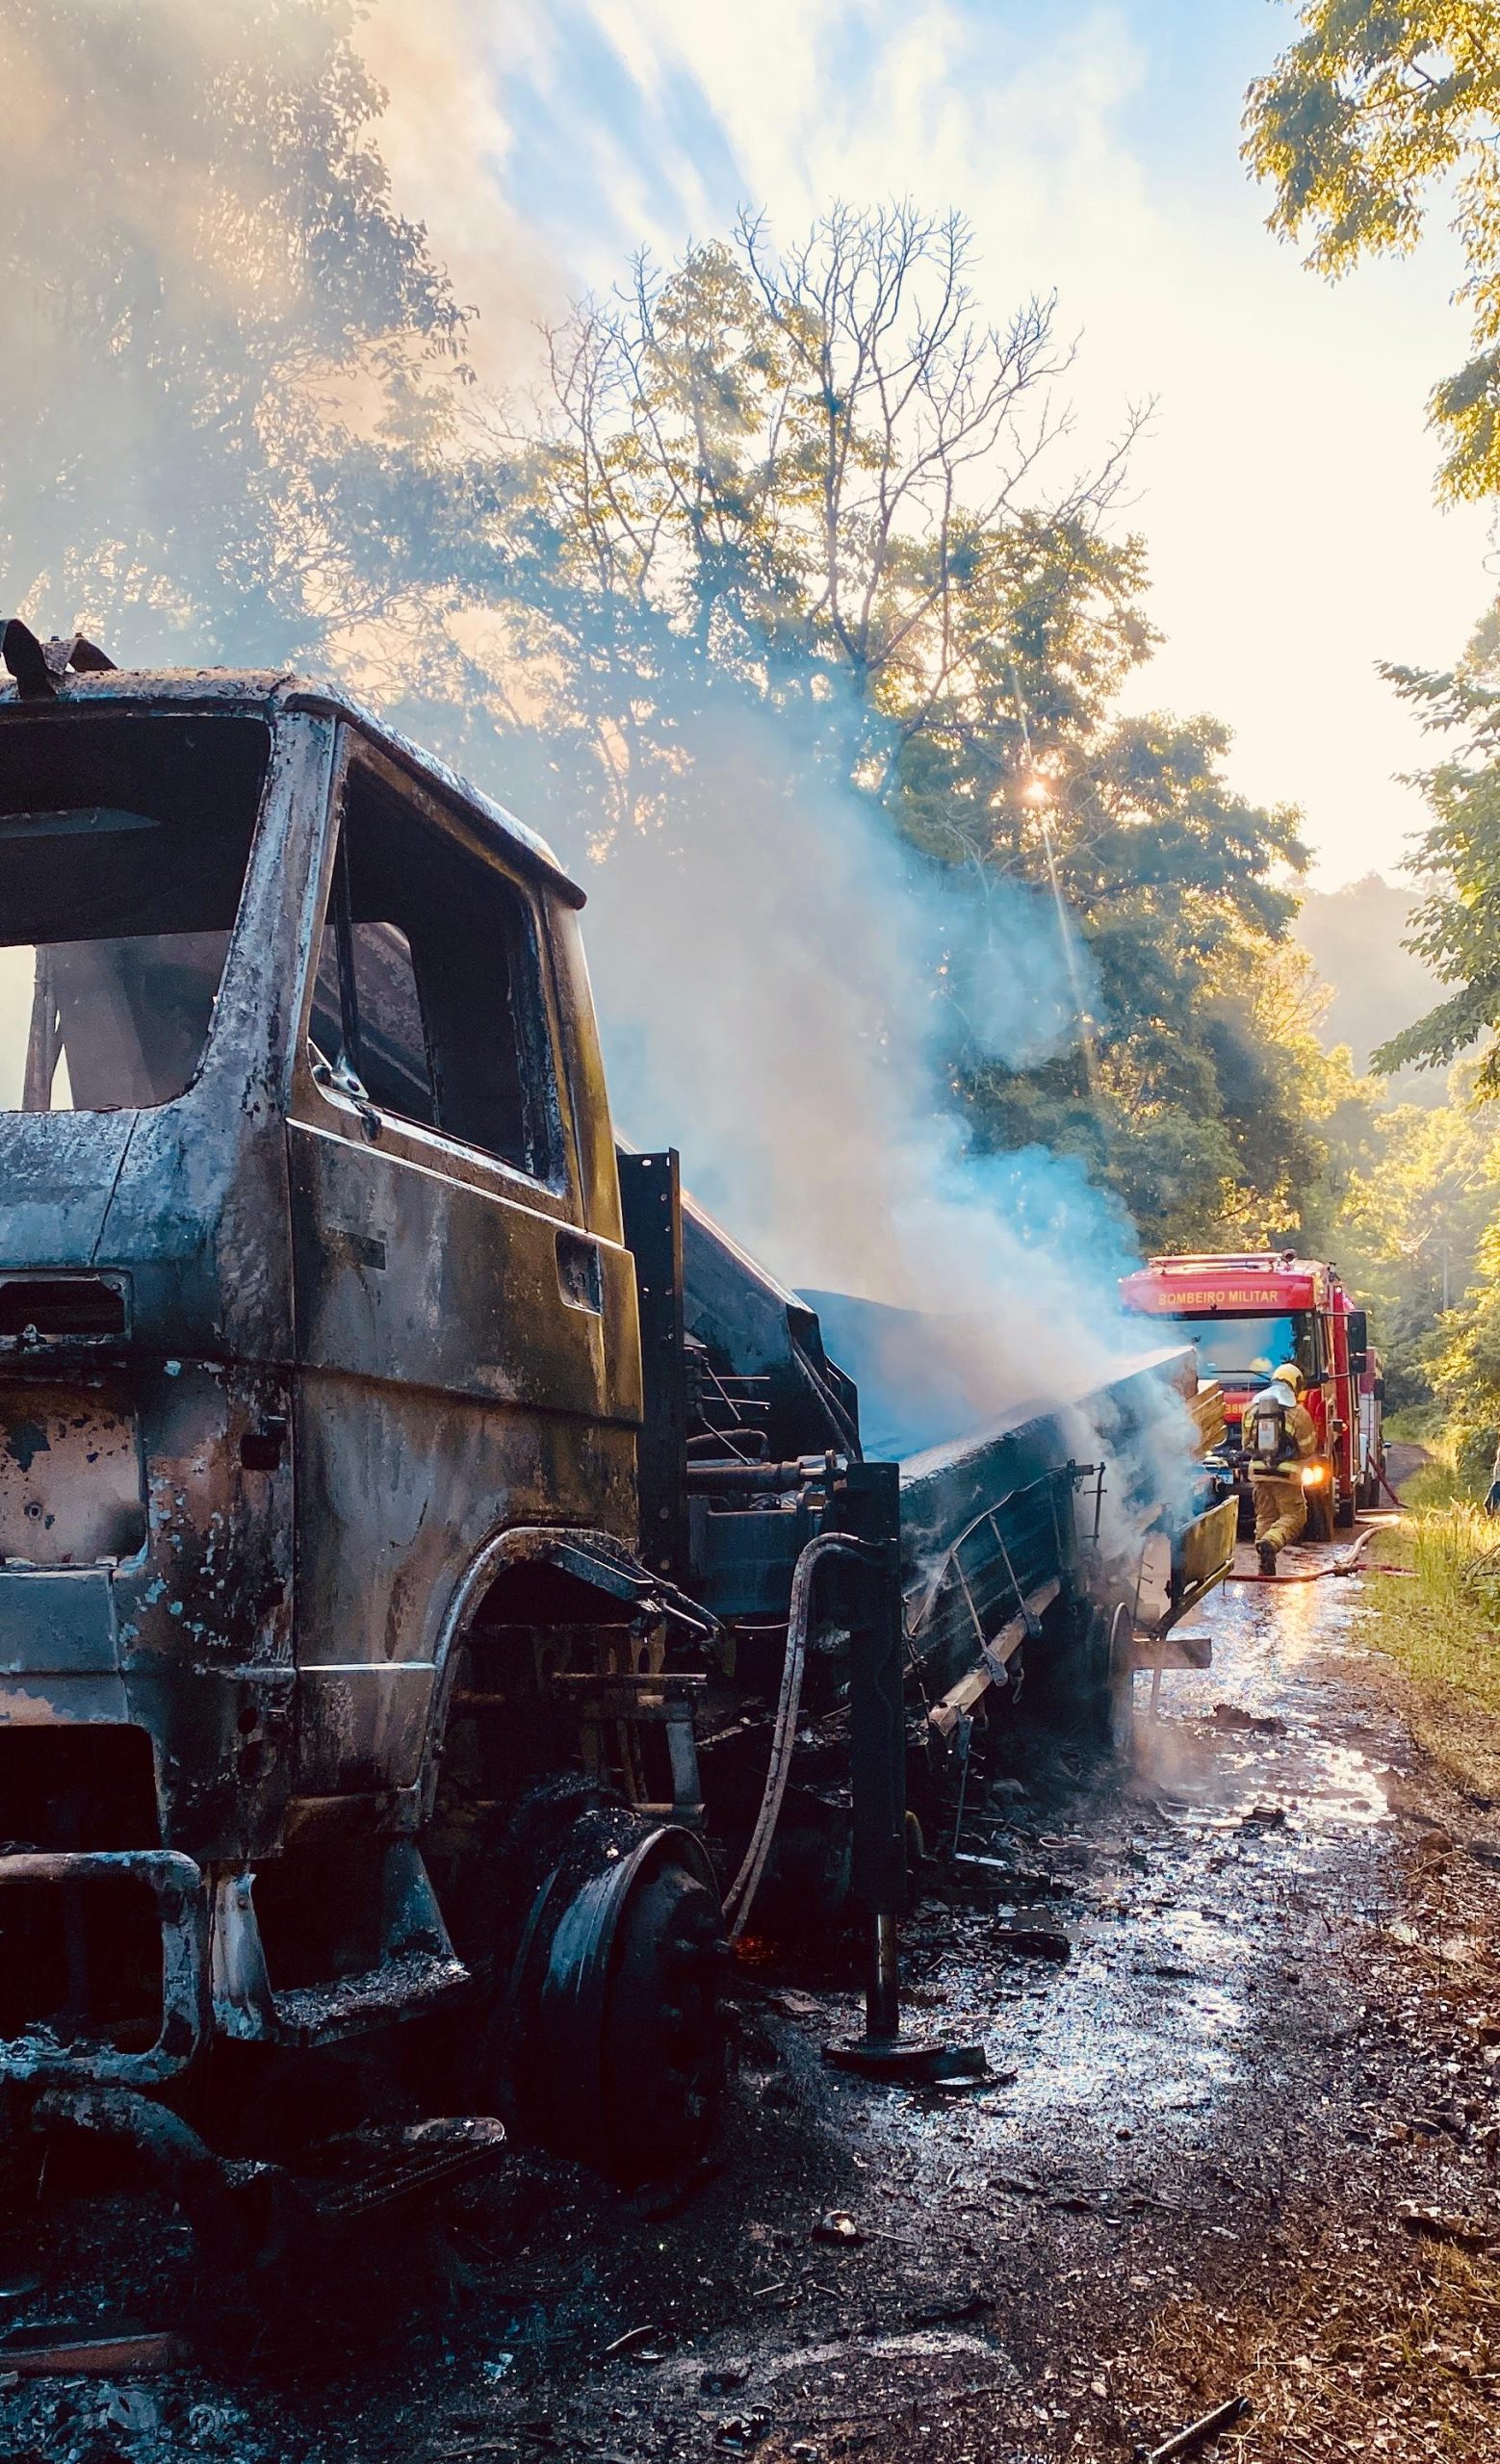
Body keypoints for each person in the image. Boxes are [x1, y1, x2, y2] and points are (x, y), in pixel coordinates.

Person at [1244, 1362, 1319, 1576]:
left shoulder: (1252, 1409)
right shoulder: (1298, 1413)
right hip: (1286, 1475)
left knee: (1265, 1516)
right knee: (1295, 1515)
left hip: (1258, 1472)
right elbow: (1307, 1448)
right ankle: (1270, 1543)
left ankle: (1264, 1564)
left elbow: (1246, 1444)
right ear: (1294, 1384)